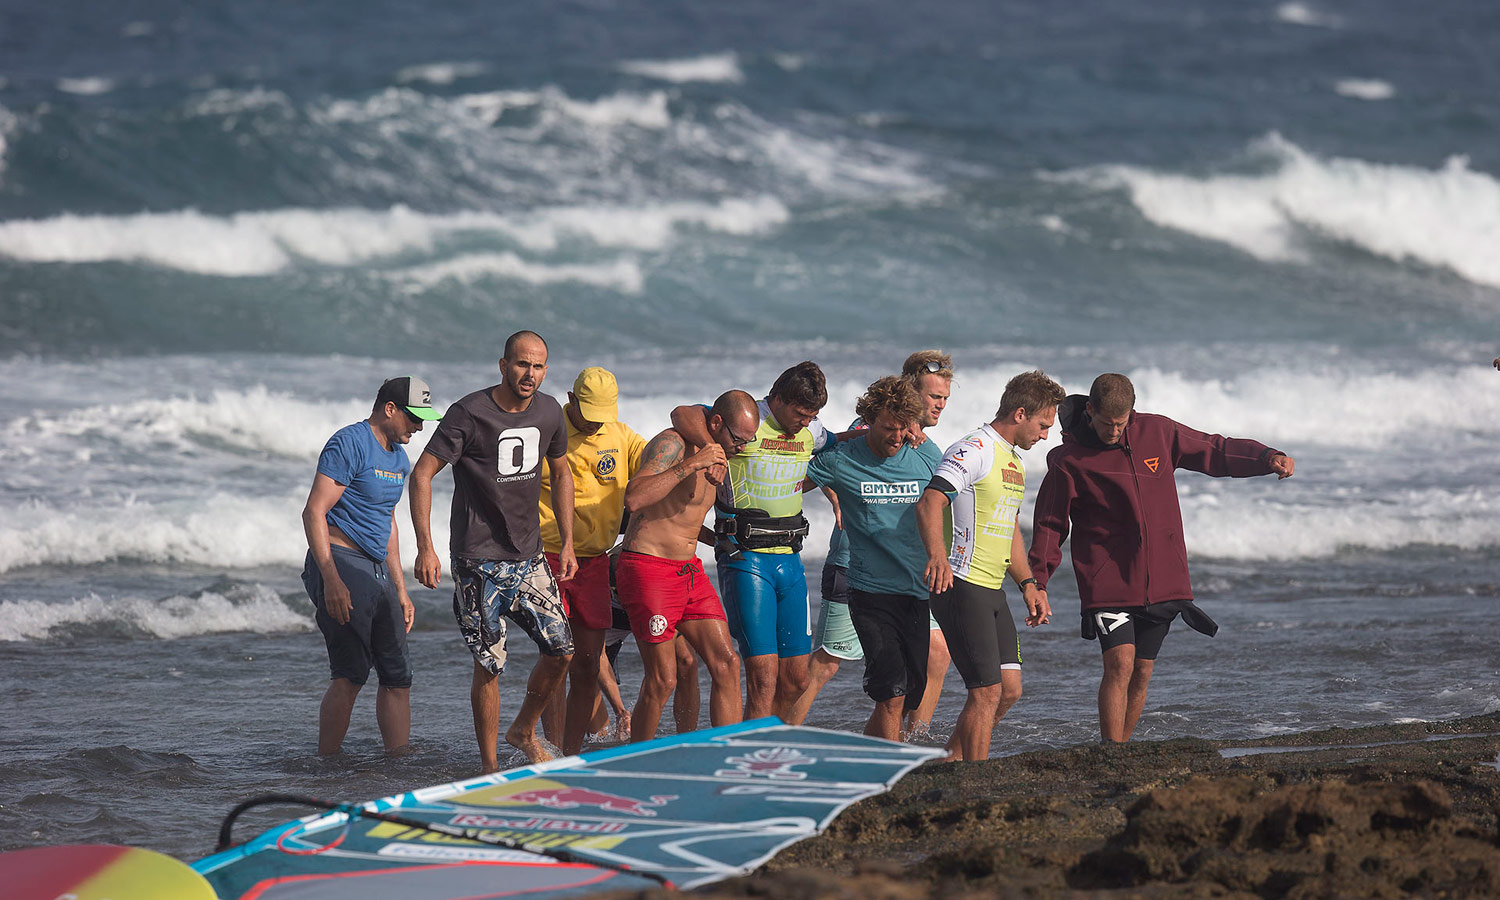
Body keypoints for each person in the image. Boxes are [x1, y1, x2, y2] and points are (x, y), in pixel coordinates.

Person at [1028, 373, 1295, 743]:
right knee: (1119, 665)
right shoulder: (1068, 460)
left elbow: (1214, 451)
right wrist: (1037, 580)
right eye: (1107, 423)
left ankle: (1122, 747)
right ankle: (1112, 753)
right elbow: (1050, 523)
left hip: (1164, 579)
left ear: (1132, 414)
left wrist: (1267, 457)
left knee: (1142, 672)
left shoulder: (1158, 433)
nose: (1114, 432)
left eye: (1121, 424)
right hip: (1109, 582)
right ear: (1089, 411)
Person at [409, 331, 577, 771]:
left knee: (561, 650)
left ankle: (523, 729)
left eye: (538, 366)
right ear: (503, 366)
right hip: (477, 560)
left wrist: (570, 541)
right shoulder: (469, 413)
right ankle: (489, 768)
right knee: (489, 664)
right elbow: (422, 474)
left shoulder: (549, 411)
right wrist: (426, 547)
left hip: (529, 557)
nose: (530, 374)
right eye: (522, 364)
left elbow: (561, 474)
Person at [786, 350, 955, 733]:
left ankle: (909, 740)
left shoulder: (924, 450)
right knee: (829, 663)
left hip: (912, 577)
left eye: (944, 398)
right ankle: (781, 733)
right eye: (933, 396)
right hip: (857, 569)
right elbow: (810, 472)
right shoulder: (861, 436)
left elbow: (946, 501)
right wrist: (831, 494)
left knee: (934, 659)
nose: (939, 406)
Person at [670, 362, 837, 721]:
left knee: (796, 679)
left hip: (790, 561)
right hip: (746, 560)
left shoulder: (812, 430)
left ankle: (761, 737)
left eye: (812, 415)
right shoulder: (748, 420)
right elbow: (682, 413)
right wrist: (710, 449)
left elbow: (844, 441)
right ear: (776, 399)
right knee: (763, 677)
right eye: (800, 414)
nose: (805, 422)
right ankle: (752, 755)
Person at [917, 370, 1066, 761]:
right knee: (985, 692)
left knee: (1009, 689)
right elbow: (931, 501)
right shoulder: (974, 449)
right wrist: (937, 555)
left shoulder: (1012, 462)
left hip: (993, 588)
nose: (1046, 435)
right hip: (963, 584)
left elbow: (1007, 527)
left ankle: (951, 761)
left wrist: (1029, 583)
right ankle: (975, 780)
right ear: (1020, 413)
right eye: (1043, 425)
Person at [300, 376, 441, 756]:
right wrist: (330, 579)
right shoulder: (349, 443)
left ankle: (398, 761)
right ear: (390, 409)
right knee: (351, 673)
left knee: (398, 676)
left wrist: (400, 590)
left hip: (377, 570)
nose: (420, 427)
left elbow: (387, 521)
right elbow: (314, 511)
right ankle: (327, 762)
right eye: (414, 417)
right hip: (340, 560)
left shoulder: (398, 457)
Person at [618, 391, 758, 742]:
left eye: (747, 441)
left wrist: (717, 540)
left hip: (689, 570)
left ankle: (719, 754)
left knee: (727, 663)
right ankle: (637, 762)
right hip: (648, 567)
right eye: (738, 440)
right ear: (715, 424)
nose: (741, 448)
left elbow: (684, 517)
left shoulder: (720, 455)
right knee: (663, 678)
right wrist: (690, 465)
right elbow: (634, 498)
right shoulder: (674, 445)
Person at [536, 367, 647, 756]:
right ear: (570, 399)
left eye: (603, 412)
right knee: (557, 659)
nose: (596, 421)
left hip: (596, 561)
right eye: (588, 412)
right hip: (548, 555)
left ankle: (569, 753)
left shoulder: (619, 433)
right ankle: (548, 746)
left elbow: (658, 458)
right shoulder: (549, 429)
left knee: (586, 662)